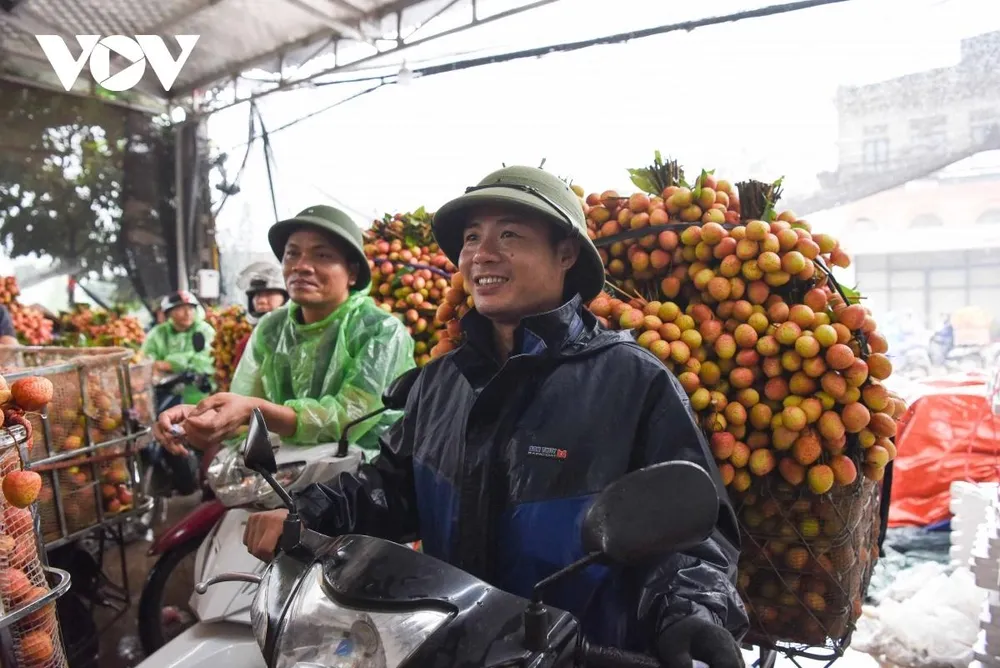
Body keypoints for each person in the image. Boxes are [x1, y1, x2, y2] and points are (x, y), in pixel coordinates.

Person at [243, 168, 748, 668]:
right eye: (471, 238)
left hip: (583, 656)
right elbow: (392, 488)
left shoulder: (632, 380)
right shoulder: (441, 381)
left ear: (565, 253)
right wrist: (306, 511)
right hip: (452, 650)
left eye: (509, 235)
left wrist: (691, 615)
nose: (481, 254)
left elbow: (692, 539)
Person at [153, 204, 416, 460]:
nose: (301, 265)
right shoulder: (271, 329)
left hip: (369, 473)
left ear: (352, 272)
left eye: (322, 255)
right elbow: (245, 408)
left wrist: (253, 410)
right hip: (290, 471)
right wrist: (203, 417)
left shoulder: (381, 332)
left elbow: (347, 419)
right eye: (292, 254)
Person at [142, 291, 217, 408]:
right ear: (169, 313)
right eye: (180, 309)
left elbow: (207, 358)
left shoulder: (205, 330)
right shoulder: (157, 333)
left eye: (191, 308)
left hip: (200, 396)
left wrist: (169, 364)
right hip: (165, 396)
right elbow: (146, 360)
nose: (187, 313)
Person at [232, 261, 289, 369]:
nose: (261, 300)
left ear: (286, 296)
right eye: (257, 295)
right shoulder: (246, 345)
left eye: (269, 294)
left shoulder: (297, 339)